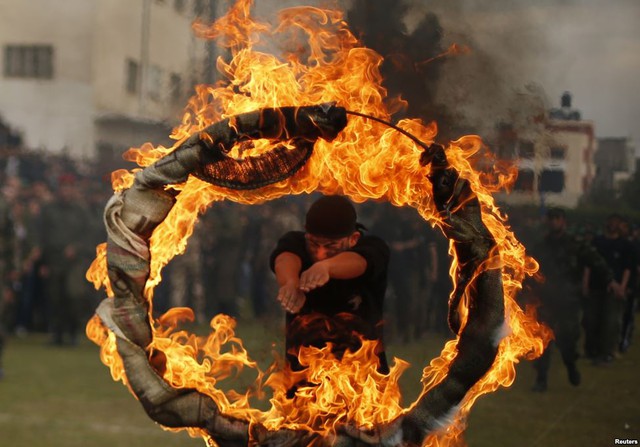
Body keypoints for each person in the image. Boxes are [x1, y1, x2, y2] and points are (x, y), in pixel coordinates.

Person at [270, 195, 390, 387]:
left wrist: (326, 267)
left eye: (330, 246)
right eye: (314, 244)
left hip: (362, 375)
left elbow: (361, 262)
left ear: (353, 239)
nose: (319, 253)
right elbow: (285, 258)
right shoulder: (295, 243)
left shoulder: (373, 247)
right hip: (304, 376)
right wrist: (291, 283)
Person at [529, 208, 614, 392]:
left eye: (557, 219)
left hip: (568, 301)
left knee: (568, 339)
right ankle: (541, 379)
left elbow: (595, 261)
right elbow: (530, 268)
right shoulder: (542, 245)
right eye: (551, 219)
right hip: (546, 300)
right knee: (542, 340)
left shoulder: (575, 243)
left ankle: (571, 366)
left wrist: (610, 280)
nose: (553, 222)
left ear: (563, 221)